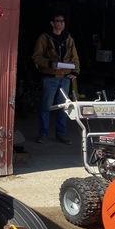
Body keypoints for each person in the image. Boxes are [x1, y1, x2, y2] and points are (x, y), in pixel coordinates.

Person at [31, 12, 80, 144]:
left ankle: (61, 134)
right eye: (58, 21)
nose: (61, 23)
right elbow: (36, 57)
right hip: (50, 77)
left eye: (63, 21)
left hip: (65, 78)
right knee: (46, 107)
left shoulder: (68, 38)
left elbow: (75, 57)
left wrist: (75, 72)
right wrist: (49, 63)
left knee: (64, 107)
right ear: (52, 23)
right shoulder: (44, 38)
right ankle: (43, 134)